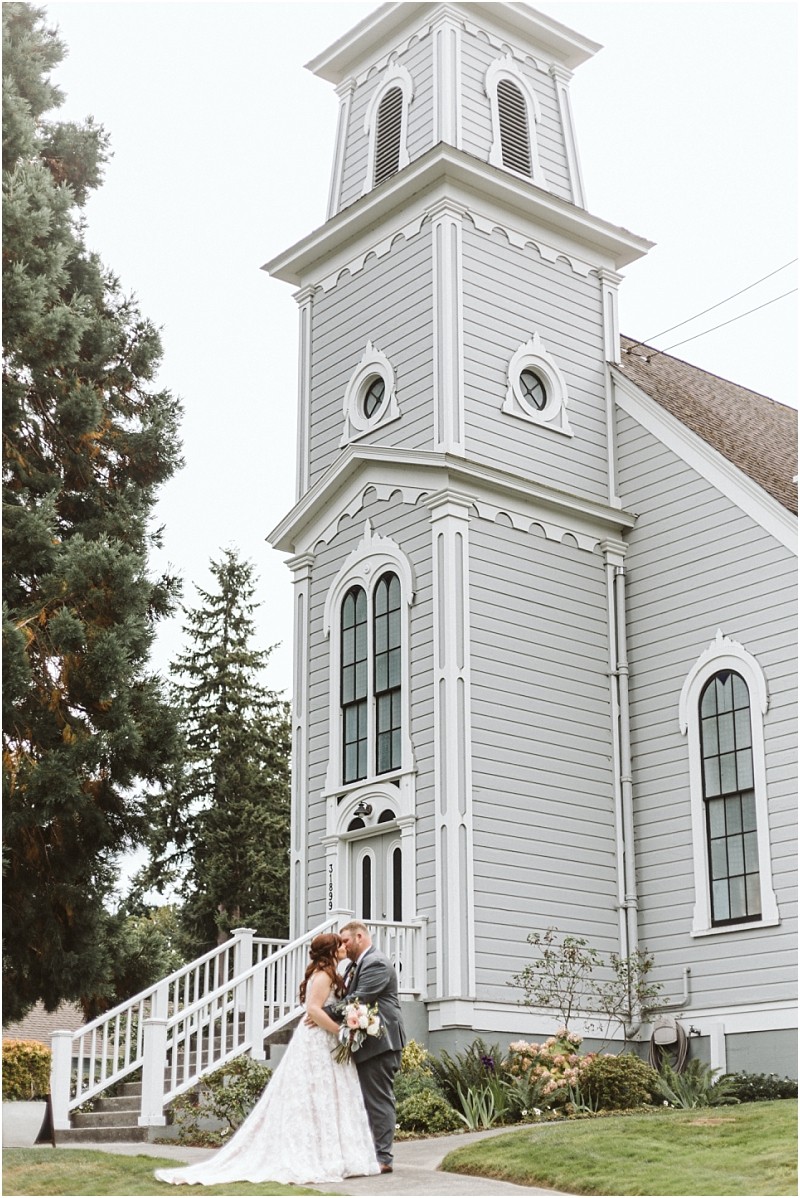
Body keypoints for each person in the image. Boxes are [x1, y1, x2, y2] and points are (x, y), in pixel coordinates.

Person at [154, 933, 380, 1187]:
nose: (344, 947)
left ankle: (340, 1155)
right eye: (340, 944)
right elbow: (314, 1010)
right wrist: (340, 1032)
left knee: (330, 1096)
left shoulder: (331, 974)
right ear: (331, 950)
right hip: (317, 1042)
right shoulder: (324, 975)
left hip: (325, 1041)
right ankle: (316, 1155)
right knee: (315, 1095)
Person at [338, 919, 406, 1174]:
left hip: (381, 1042)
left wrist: (320, 1012)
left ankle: (383, 1158)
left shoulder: (375, 962)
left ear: (359, 937)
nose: (343, 946)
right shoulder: (355, 966)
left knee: (378, 1100)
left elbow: (357, 999)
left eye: (345, 940)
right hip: (367, 1043)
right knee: (366, 1101)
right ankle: (370, 1153)